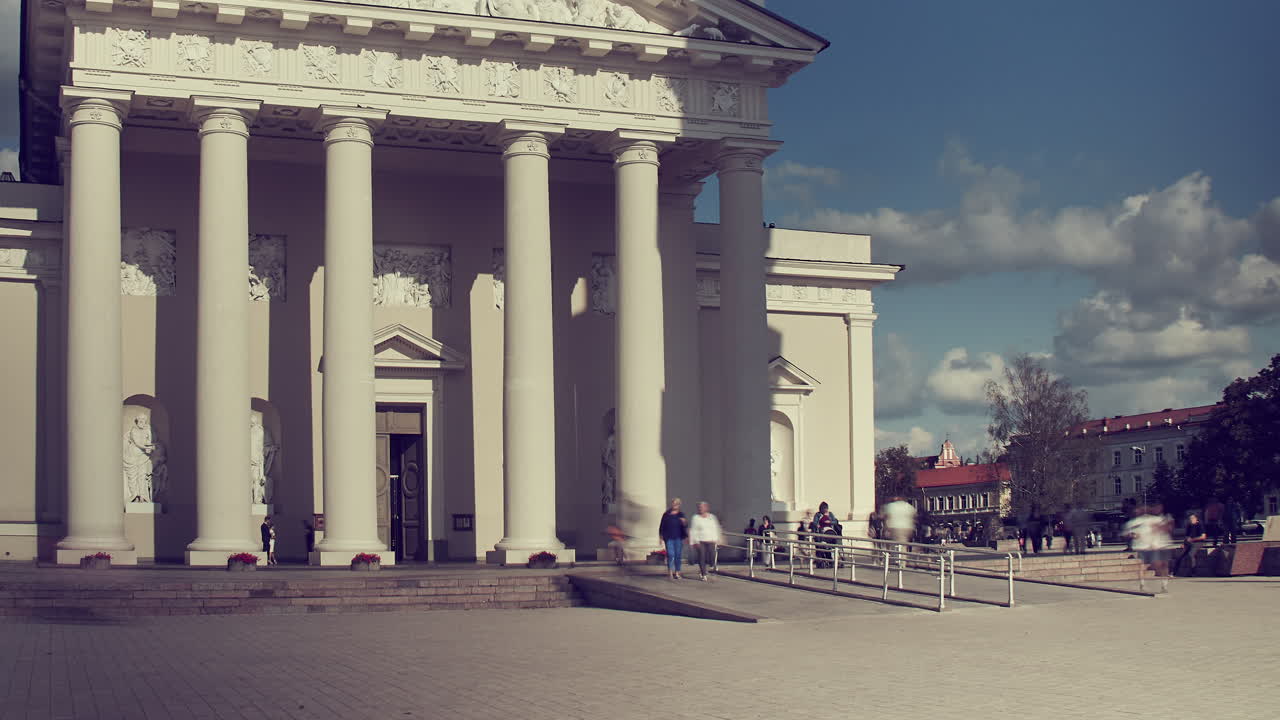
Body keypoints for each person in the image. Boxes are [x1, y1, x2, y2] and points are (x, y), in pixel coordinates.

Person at [1125, 503, 1173, 593]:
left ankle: (1164, 584)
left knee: (1164, 565)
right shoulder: (1140, 521)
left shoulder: (1160, 519)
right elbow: (1130, 532)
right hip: (1147, 547)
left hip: (1163, 545)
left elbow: (1167, 528)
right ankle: (1142, 584)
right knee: (1145, 565)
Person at [688, 501, 723, 581]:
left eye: (703, 507)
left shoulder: (712, 517)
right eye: (699, 507)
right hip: (700, 541)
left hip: (711, 540)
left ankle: (707, 567)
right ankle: (703, 574)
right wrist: (694, 541)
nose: (701, 509)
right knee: (702, 557)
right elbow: (693, 530)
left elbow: (716, 528)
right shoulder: (695, 518)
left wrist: (718, 538)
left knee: (712, 557)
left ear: (707, 508)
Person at [658, 497, 688, 580]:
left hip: (678, 538)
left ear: (679, 505)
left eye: (677, 504)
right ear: (672, 504)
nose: (675, 505)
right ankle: (670, 572)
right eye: (674, 503)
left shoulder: (681, 514)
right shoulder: (666, 514)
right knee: (671, 555)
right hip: (669, 538)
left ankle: (677, 572)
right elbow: (662, 526)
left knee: (678, 555)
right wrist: (660, 537)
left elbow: (685, 526)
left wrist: (684, 522)